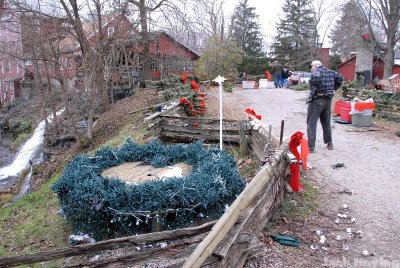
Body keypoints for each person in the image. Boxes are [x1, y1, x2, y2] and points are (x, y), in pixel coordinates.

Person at [307, 60, 343, 152]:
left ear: (315, 66)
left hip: (317, 100)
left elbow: (316, 77)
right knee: (326, 122)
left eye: (311, 67)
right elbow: (340, 78)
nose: (311, 69)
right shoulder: (331, 72)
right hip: (328, 100)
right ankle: (329, 143)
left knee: (311, 123)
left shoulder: (316, 72)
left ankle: (311, 147)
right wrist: (334, 89)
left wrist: (320, 90)